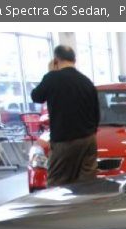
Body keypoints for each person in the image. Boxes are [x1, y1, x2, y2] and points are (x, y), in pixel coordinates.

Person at [30, 45, 99, 187]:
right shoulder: (86, 81)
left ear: (56, 60)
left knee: (58, 184)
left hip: (64, 141)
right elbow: (96, 113)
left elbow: (36, 96)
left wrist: (51, 72)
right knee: (88, 183)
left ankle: (63, 210)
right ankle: (86, 208)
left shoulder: (52, 78)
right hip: (88, 140)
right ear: (74, 60)